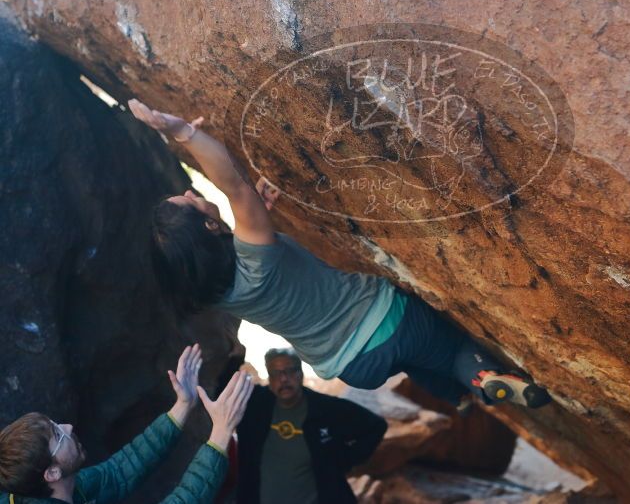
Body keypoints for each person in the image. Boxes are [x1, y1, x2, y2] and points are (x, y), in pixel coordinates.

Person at [129, 99, 552, 410]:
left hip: (352, 366)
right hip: (386, 318)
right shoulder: (255, 254)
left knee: (419, 360)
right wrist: (183, 132)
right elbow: (233, 186)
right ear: (207, 228)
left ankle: (459, 397)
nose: (190, 192)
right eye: (188, 201)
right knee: (451, 348)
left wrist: (256, 215)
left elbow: (245, 235)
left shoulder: (216, 289)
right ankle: (482, 377)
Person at [0, 344, 254, 504]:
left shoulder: (60, 490)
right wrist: (220, 435)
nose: (68, 427)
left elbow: (119, 472)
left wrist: (182, 406)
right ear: (52, 473)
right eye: (58, 434)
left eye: (56, 424)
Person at [236, 348, 387, 504]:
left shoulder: (324, 409)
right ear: (269, 378)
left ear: (301, 373)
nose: (284, 379)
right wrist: (236, 353)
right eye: (276, 373)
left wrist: (342, 460)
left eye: (290, 371)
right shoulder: (255, 407)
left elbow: (376, 426)